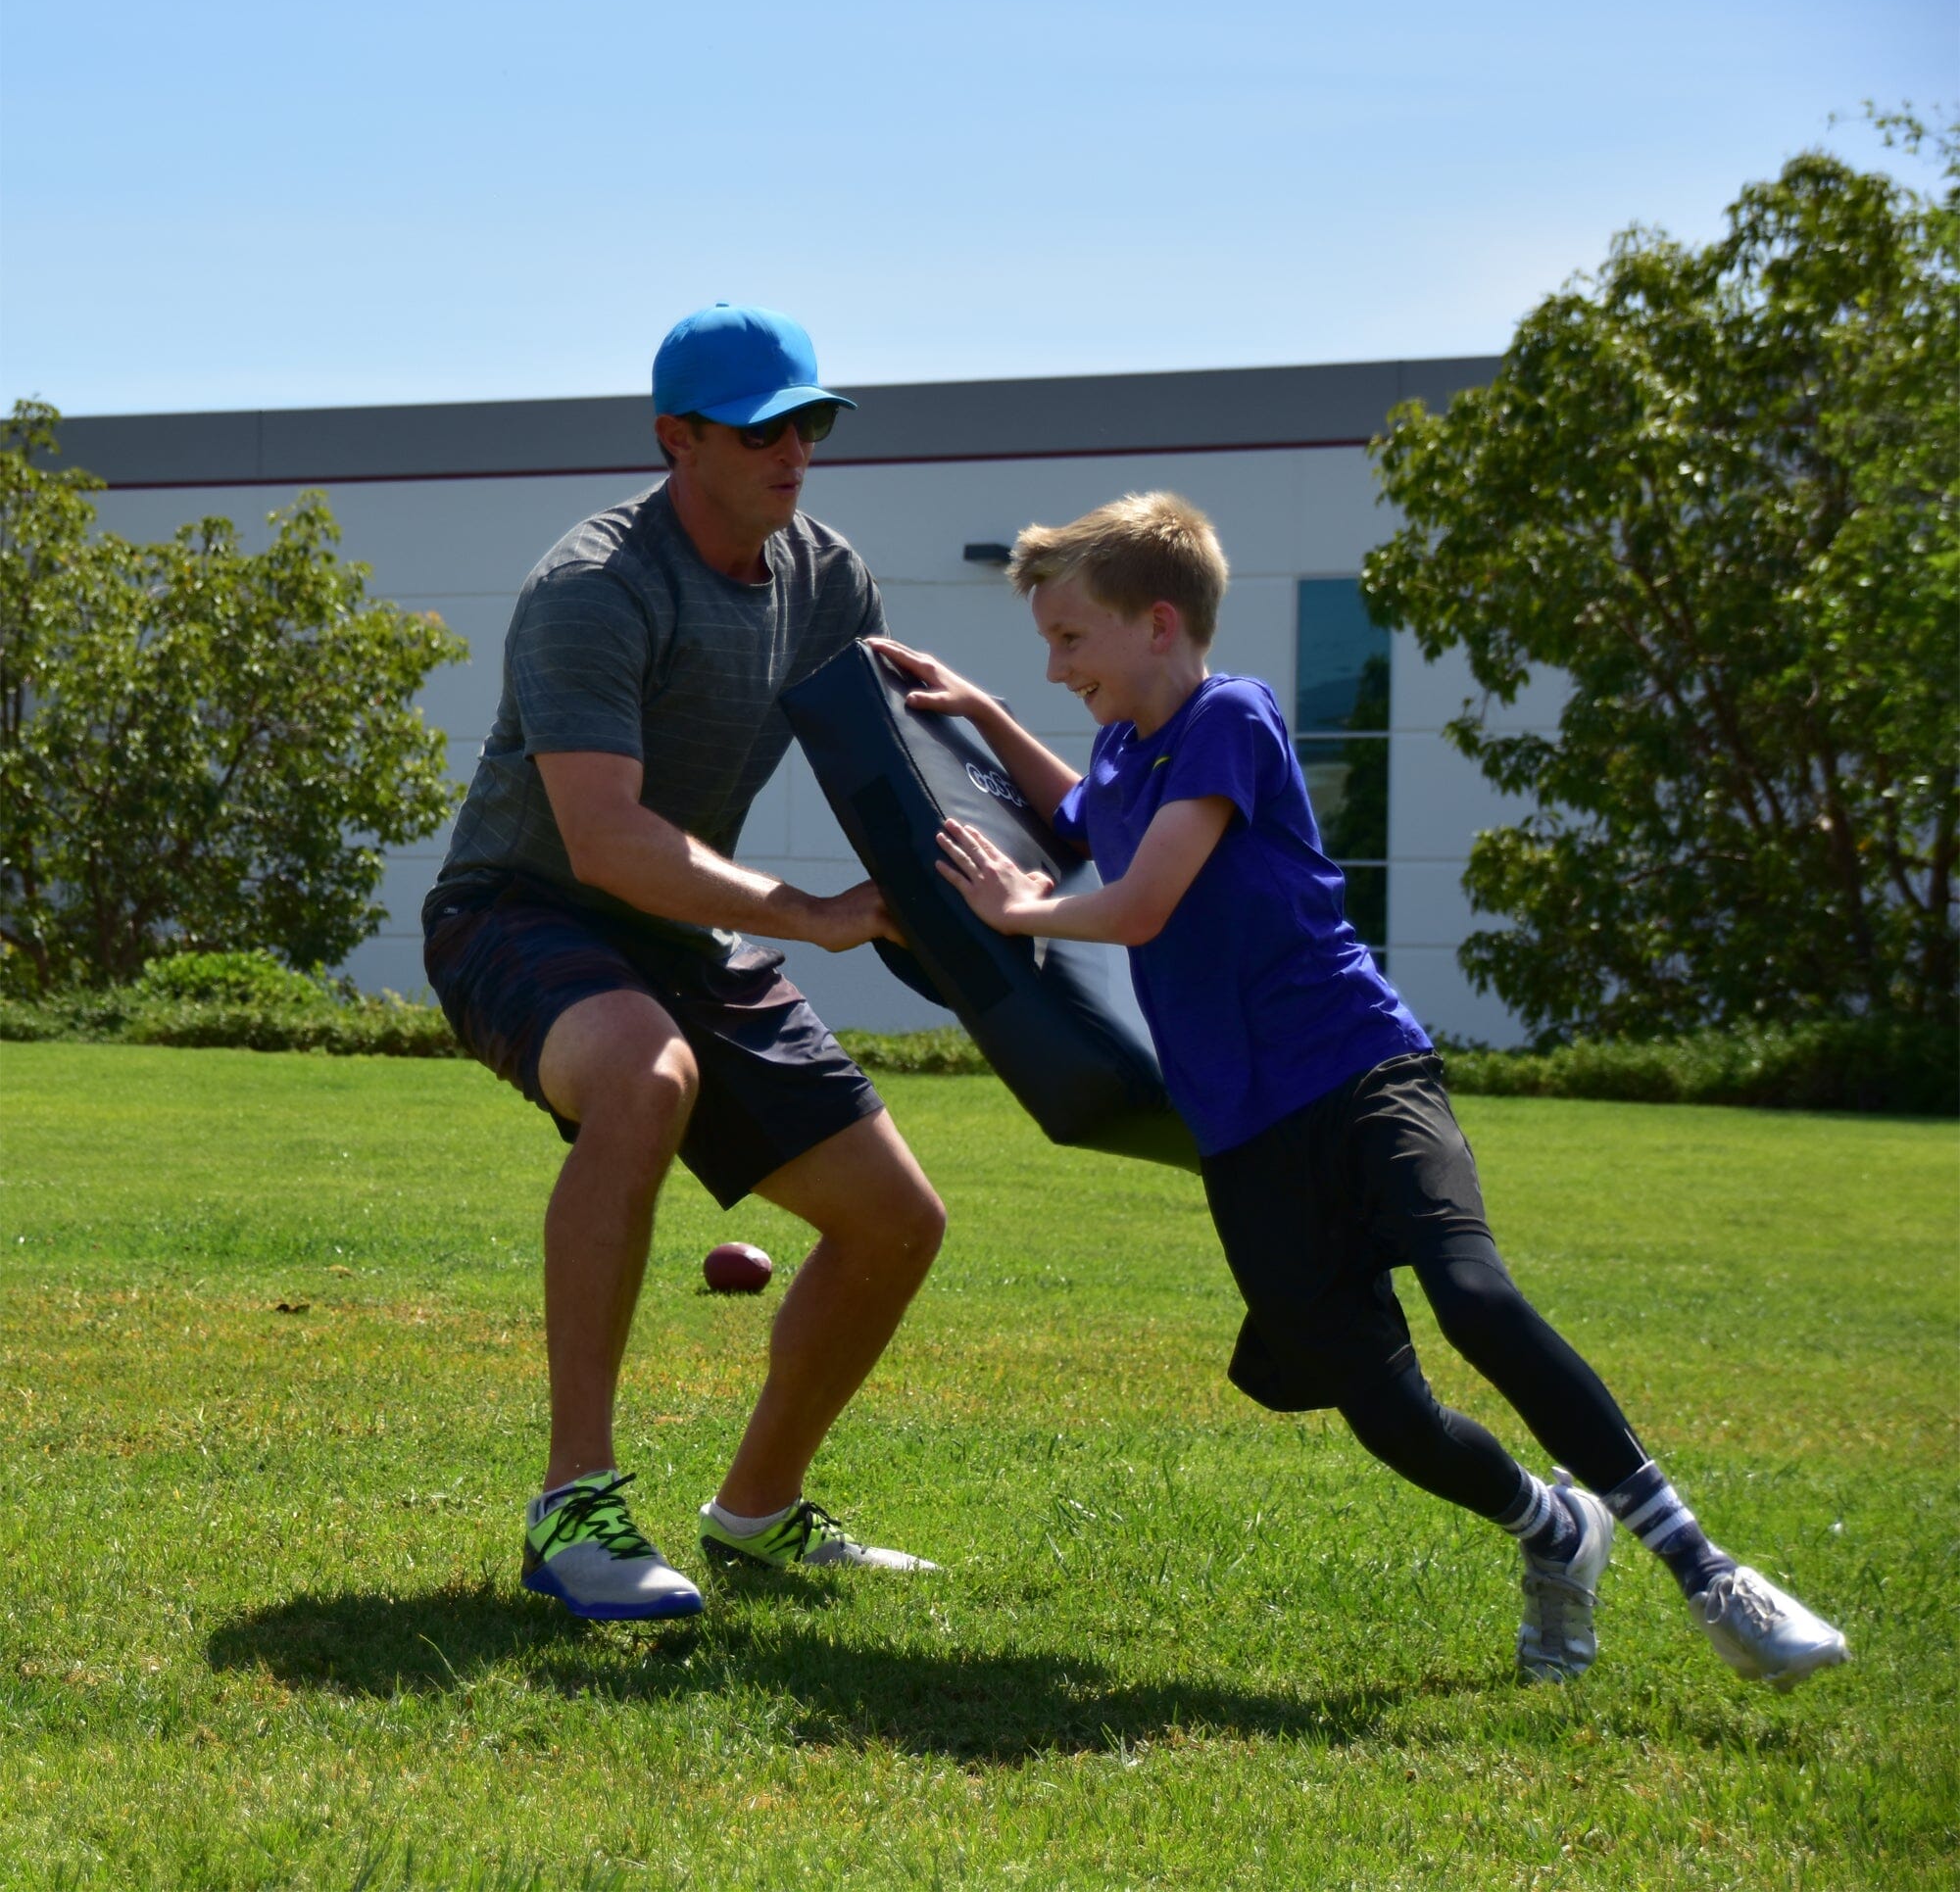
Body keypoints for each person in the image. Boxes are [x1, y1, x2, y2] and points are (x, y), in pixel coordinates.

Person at [873, 491, 1850, 1688]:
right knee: (1379, 1409)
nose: (1053, 662)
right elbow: (1082, 814)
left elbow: (1136, 901)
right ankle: (1553, 1529)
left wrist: (1017, 910)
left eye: (1070, 638)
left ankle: (1707, 1572)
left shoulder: (1231, 715)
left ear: (1160, 624)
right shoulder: (1130, 751)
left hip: (1355, 1069)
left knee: (1473, 1295)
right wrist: (979, 713)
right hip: (1240, 1125)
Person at [423, 304, 945, 1622]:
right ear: (680, 438)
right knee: (645, 1076)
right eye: (765, 427)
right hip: (518, 908)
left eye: (811, 422)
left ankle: (758, 1516)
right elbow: (602, 841)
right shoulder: (594, 587)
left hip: (683, 924)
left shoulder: (829, 580)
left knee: (896, 1224)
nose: (797, 449)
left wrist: (981, 903)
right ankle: (574, 1512)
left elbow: (886, 775)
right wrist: (813, 914)